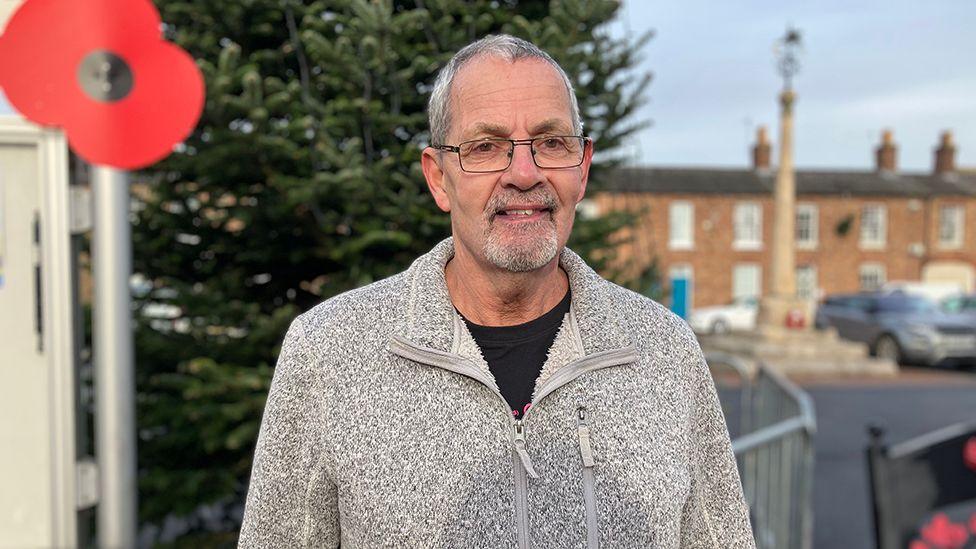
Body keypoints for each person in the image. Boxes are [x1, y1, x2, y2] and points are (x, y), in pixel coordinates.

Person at [239, 34, 755, 548]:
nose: (524, 174)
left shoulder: (666, 352)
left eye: (552, 142)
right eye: (486, 147)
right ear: (438, 179)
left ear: (582, 167)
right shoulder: (327, 353)